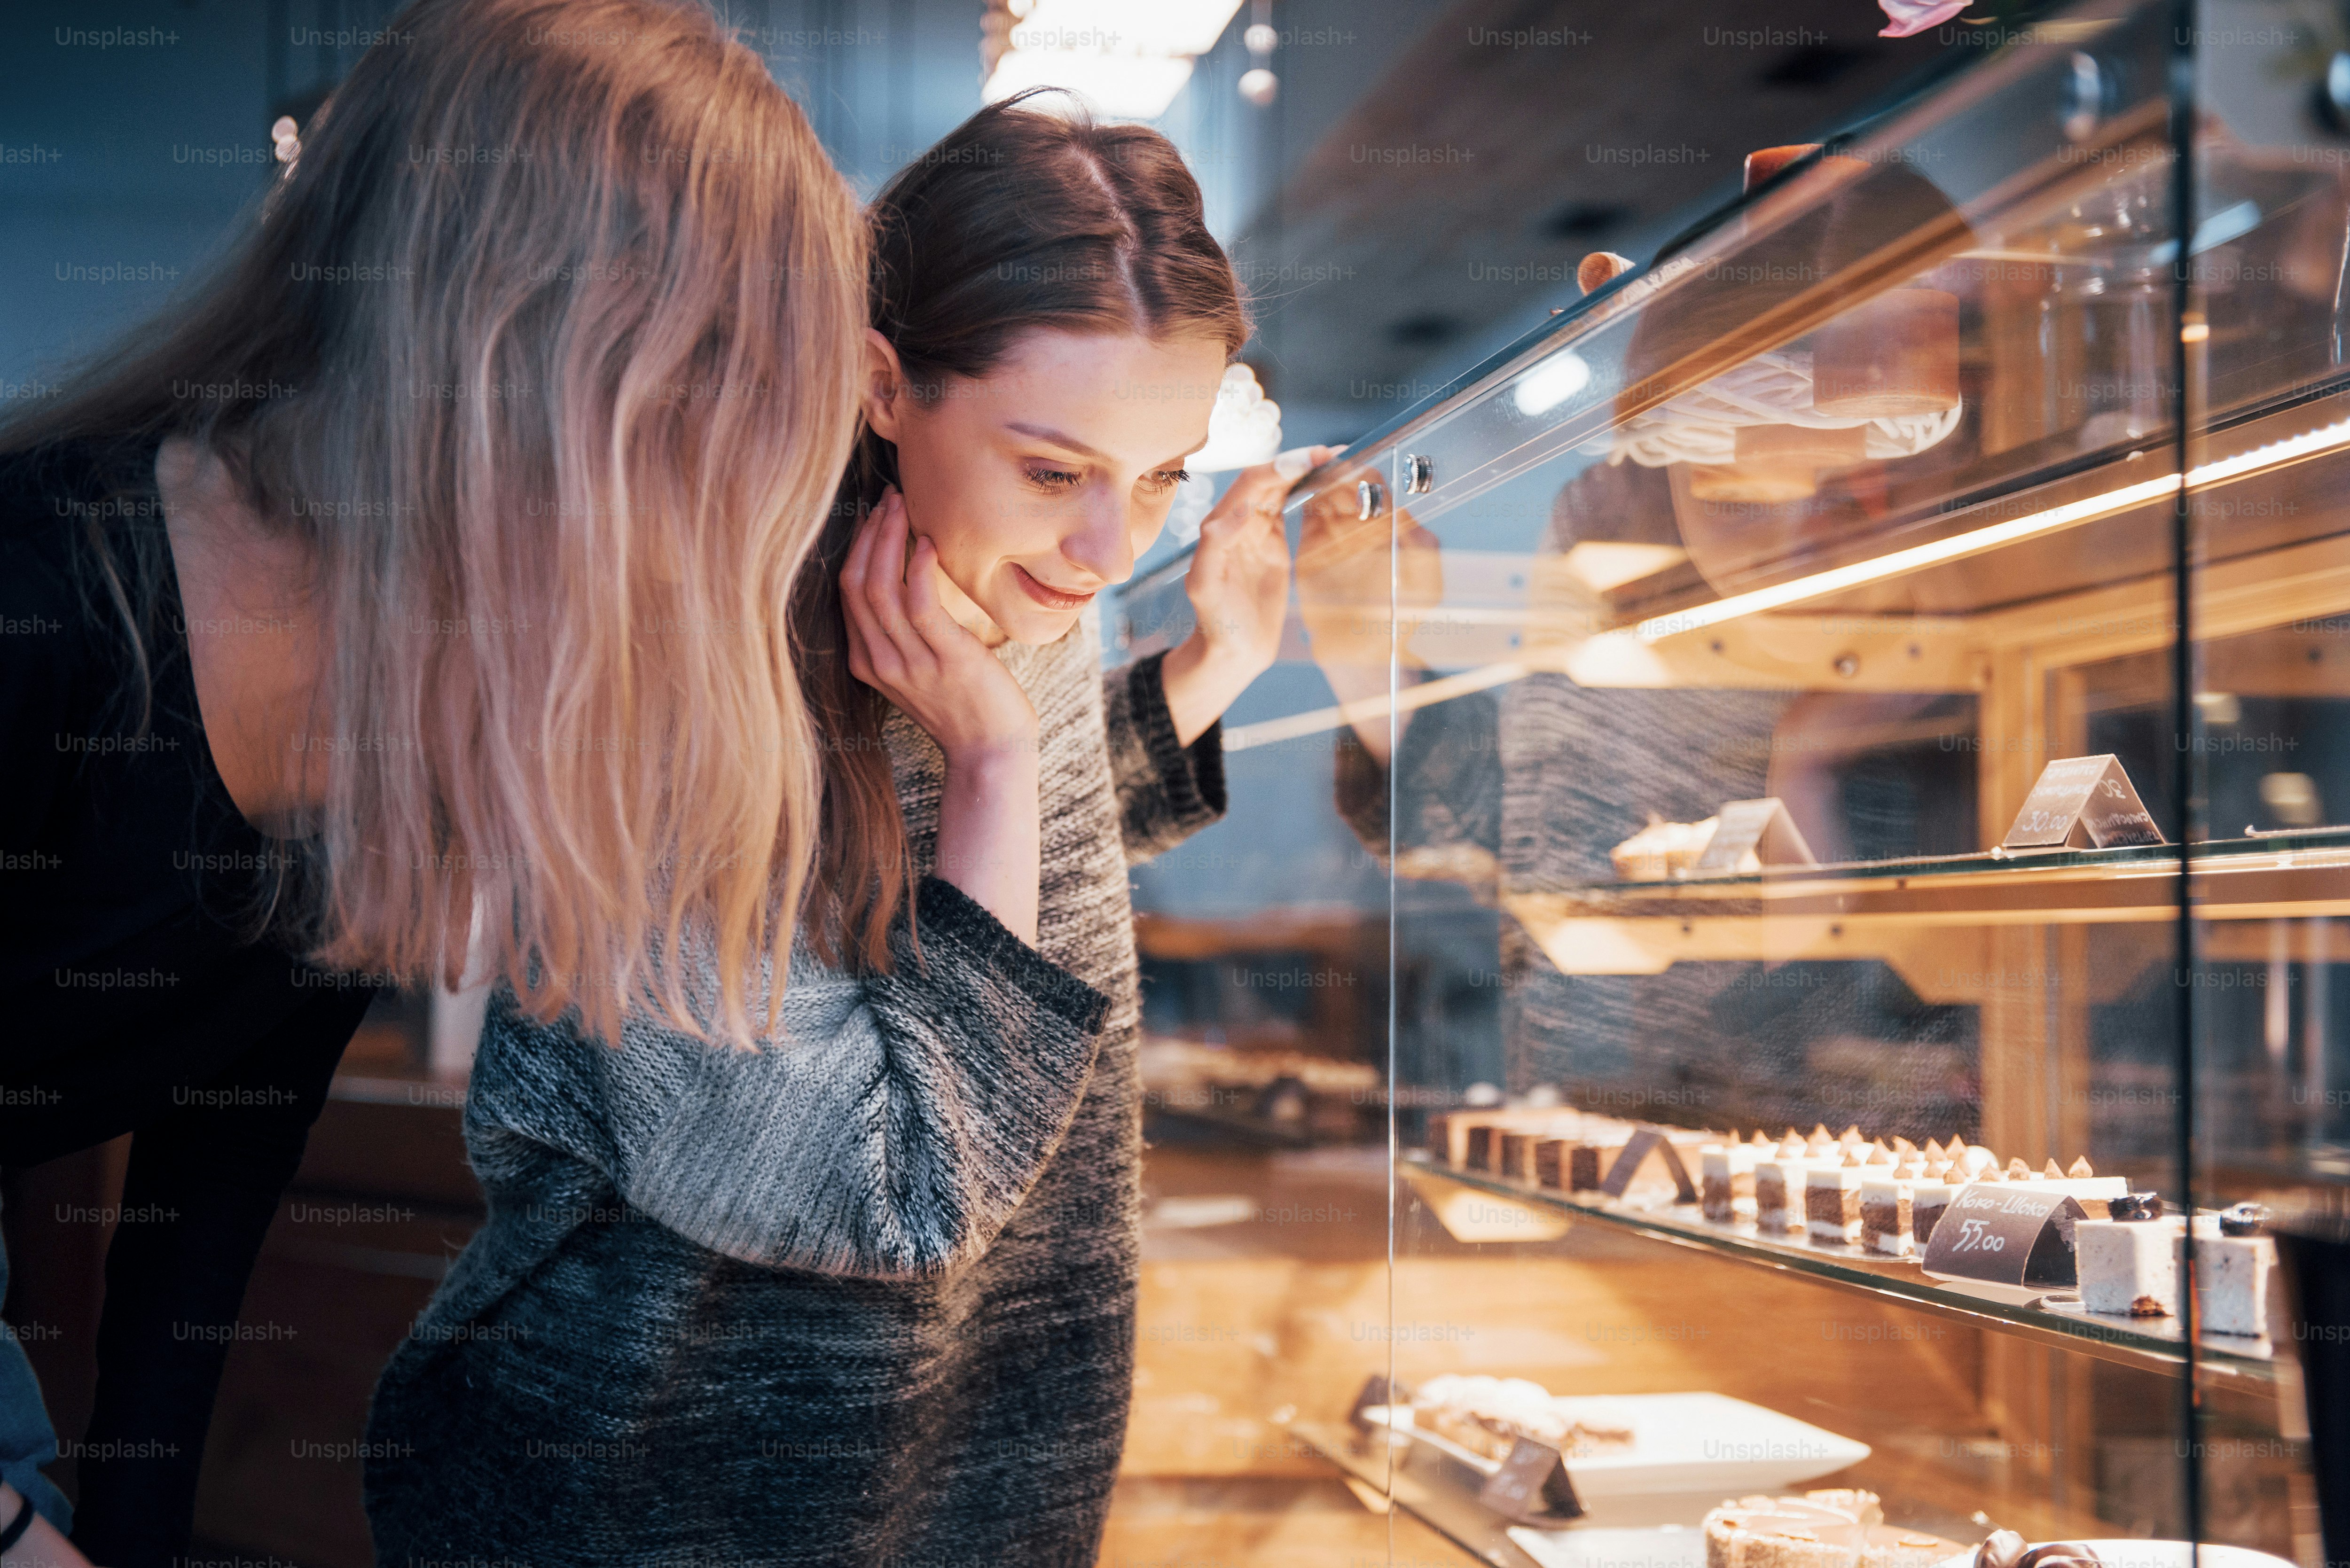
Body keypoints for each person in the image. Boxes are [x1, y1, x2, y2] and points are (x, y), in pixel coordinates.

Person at [362, 94, 1329, 1563]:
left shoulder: (1003, 594)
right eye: (1058, 469)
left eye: (1163, 476)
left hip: (962, 1493)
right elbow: (894, 1187)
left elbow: (992, 904)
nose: (1111, 548)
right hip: (646, 1507)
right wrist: (999, 758)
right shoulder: (685, 669)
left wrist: (1202, 676)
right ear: (885, 385)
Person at [0, 1, 866, 1560]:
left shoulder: (404, 706)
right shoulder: (42, 592)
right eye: (703, 390)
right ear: (516, 342)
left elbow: (212, 1184)